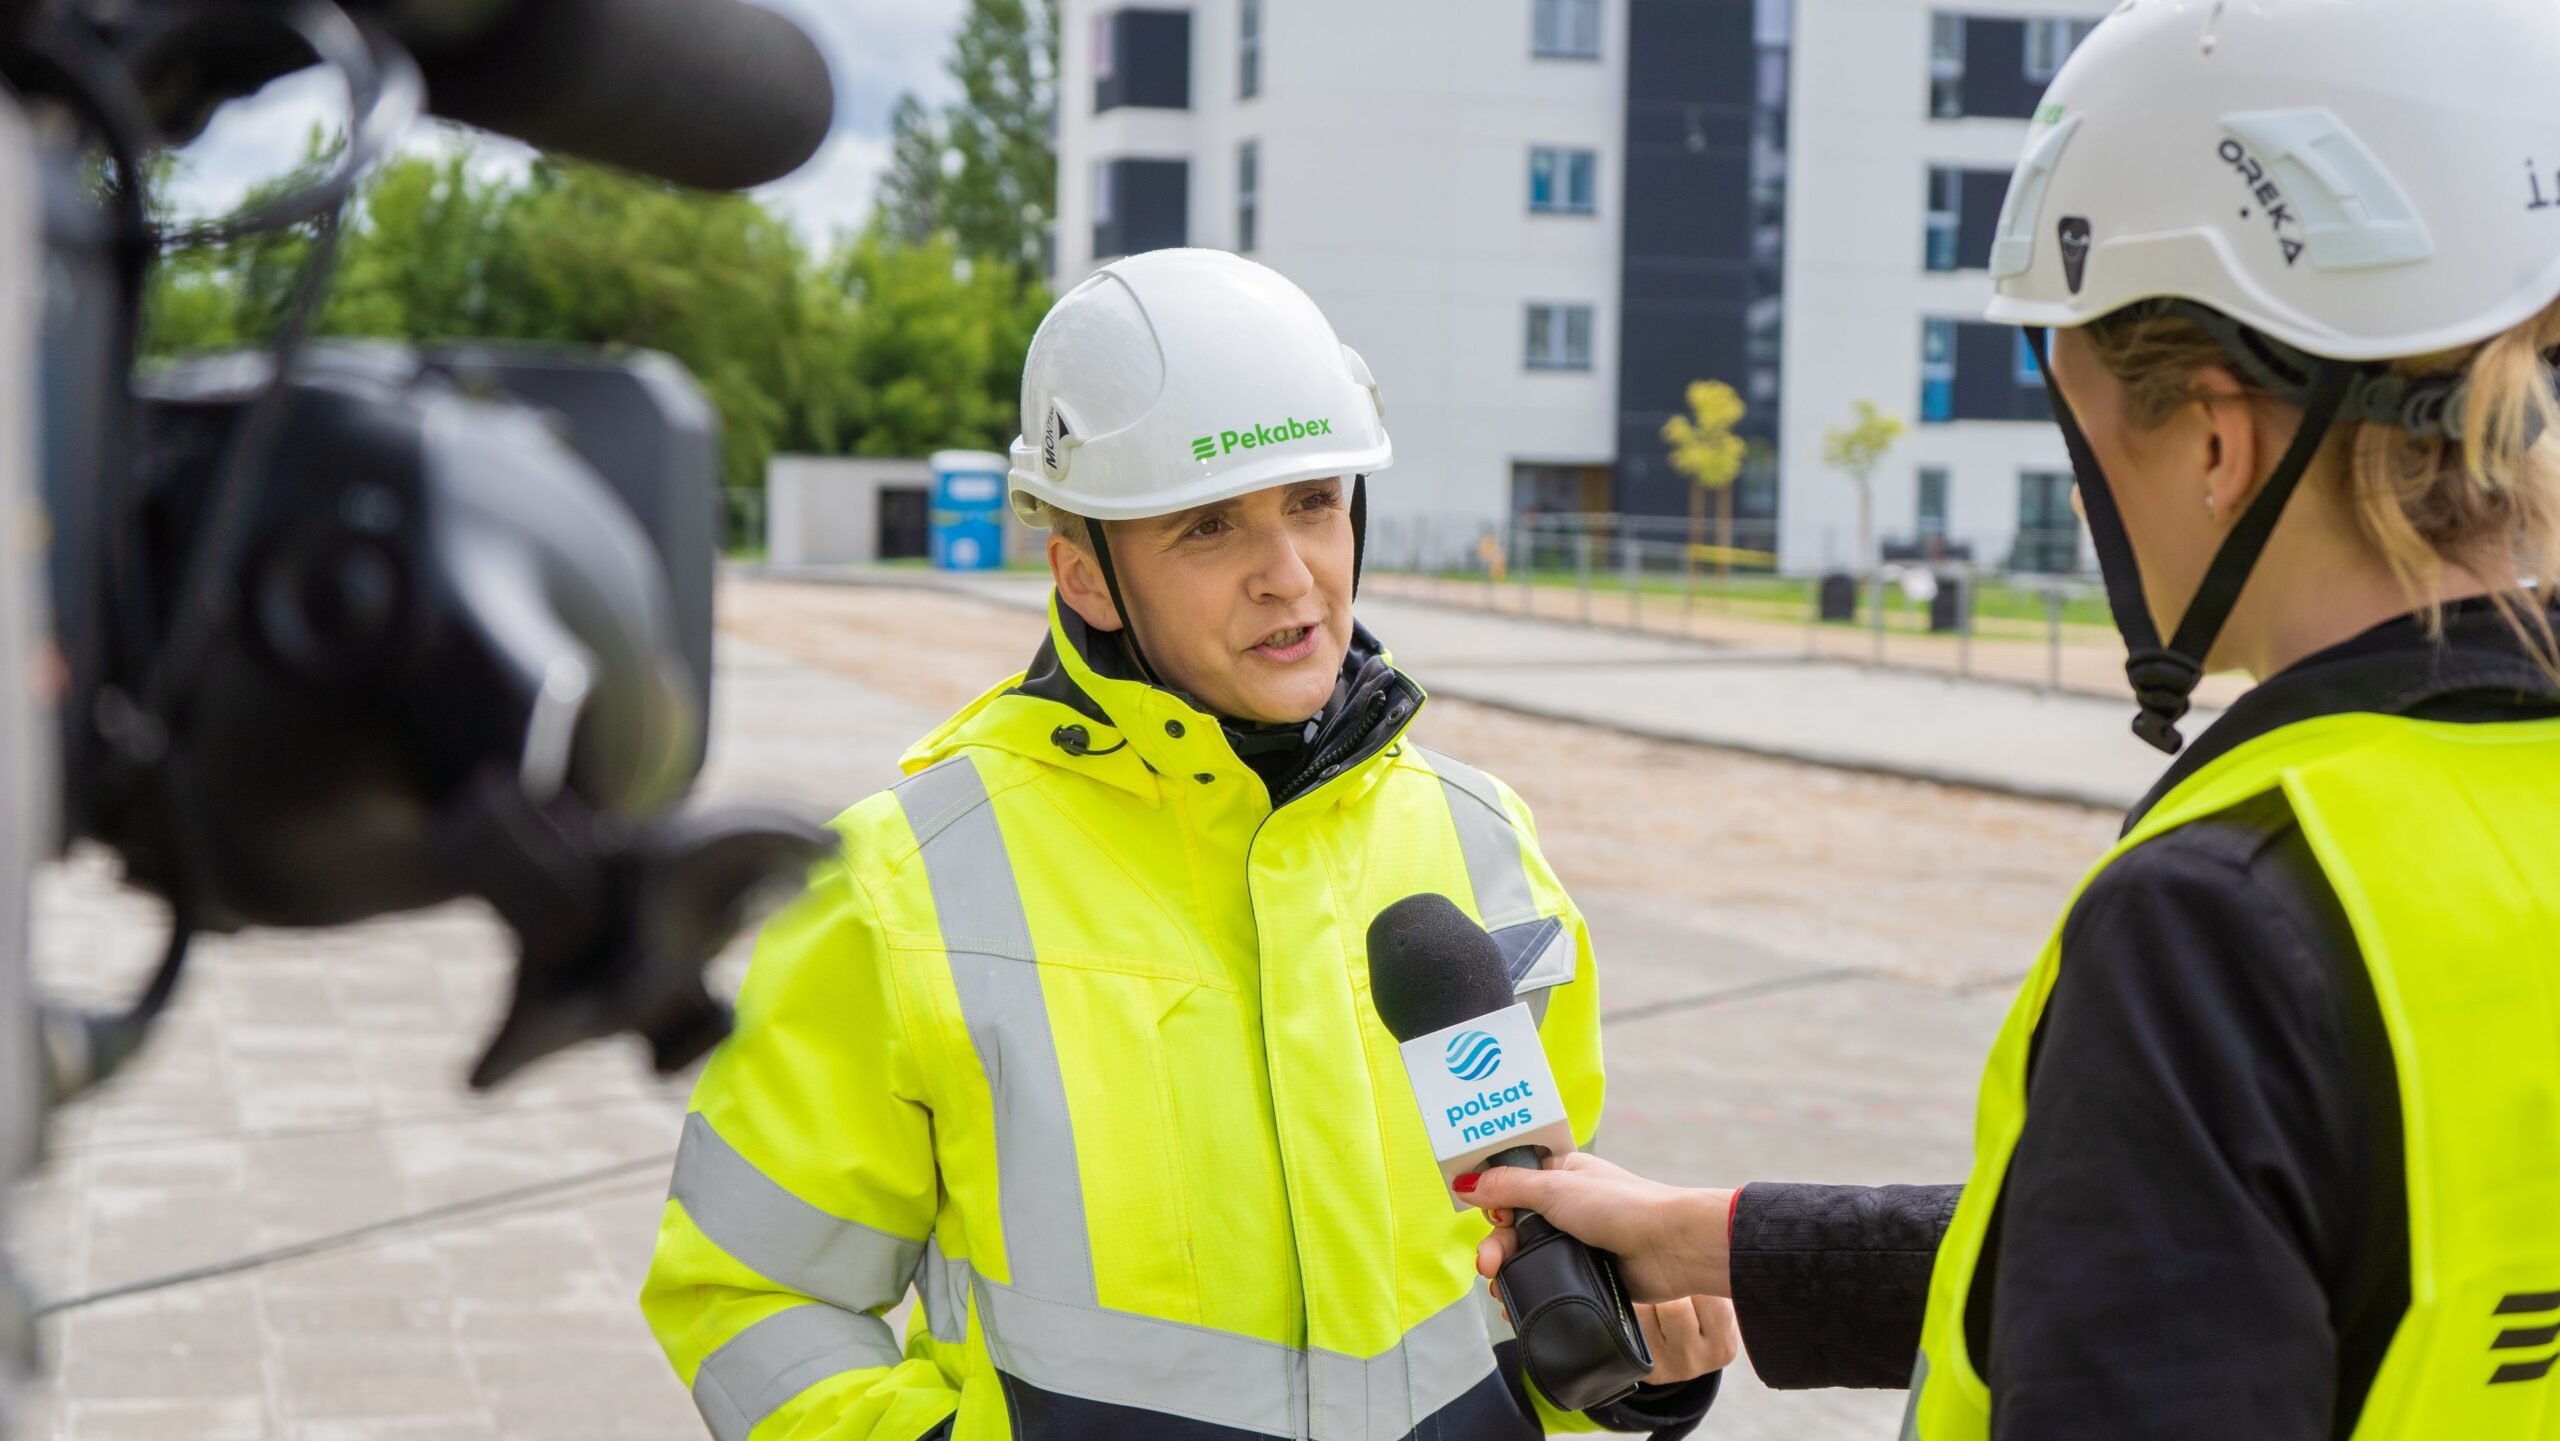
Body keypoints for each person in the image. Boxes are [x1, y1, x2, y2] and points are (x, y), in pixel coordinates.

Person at [1458, 3, 2560, 1437]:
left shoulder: (2223, 922)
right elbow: (2289, 1254)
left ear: (2217, 444)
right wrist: (1728, 1238)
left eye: (2081, 424)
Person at [639, 248, 1735, 1441]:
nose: (1290, 576)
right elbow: (749, 1292)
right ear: (1086, 576)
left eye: (1314, 502)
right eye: (1210, 526)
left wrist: (1626, 1371)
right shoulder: (900, 886)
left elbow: (1524, 1247)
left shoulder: (1477, 840)